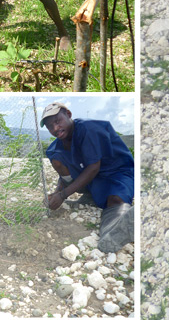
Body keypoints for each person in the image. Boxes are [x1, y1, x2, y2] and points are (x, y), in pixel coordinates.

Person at [41, 102, 135, 253]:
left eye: (58, 121)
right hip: (93, 179)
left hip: (117, 171)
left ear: (68, 114)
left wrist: (63, 195)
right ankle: (90, 196)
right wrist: (57, 193)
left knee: (115, 200)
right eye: (50, 126)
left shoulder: (89, 129)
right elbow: (64, 174)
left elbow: (93, 167)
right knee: (56, 159)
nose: (55, 128)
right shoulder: (56, 147)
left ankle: (113, 232)